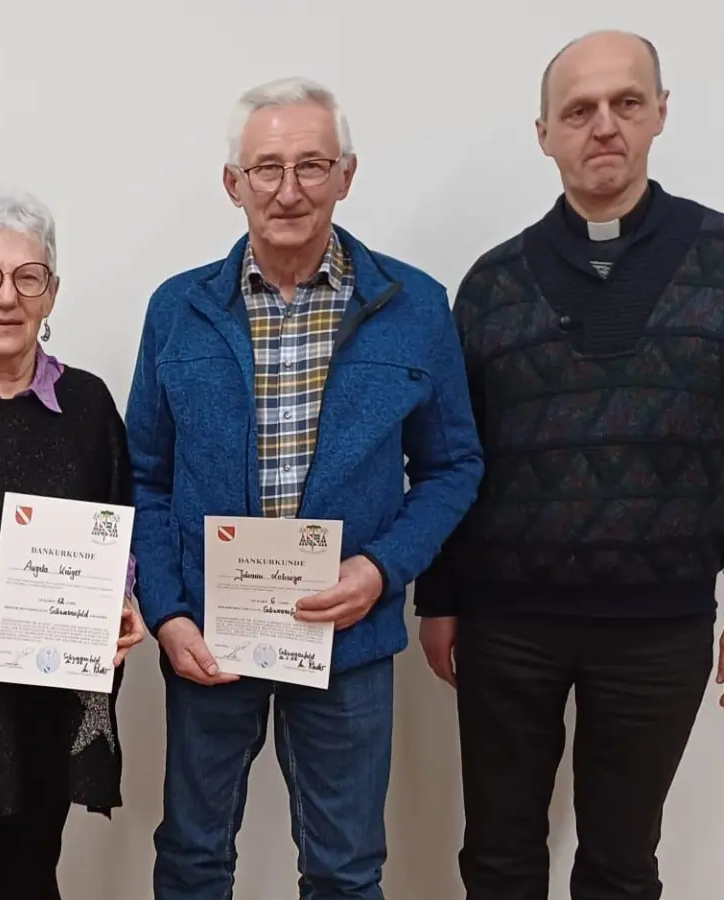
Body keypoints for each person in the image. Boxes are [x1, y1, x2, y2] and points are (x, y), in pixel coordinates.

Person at [413, 31, 724, 900]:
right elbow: (450, 454)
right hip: (504, 625)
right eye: (578, 110)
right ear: (544, 133)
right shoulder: (490, 284)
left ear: (659, 114)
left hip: (659, 626)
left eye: (624, 103)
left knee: (621, 862)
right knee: (497, 855)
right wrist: (439, 598)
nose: (602, 126)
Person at [126, 76, 485, 899]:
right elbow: (145, 474)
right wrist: (169, 613)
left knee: (345, 869)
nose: (288, 190)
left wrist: (382, 569)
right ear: (233, 184)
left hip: (347, 643)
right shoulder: (175, 311)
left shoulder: (413, 306)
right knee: (191, 858)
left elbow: (452, 467)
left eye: (312, 165)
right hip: (209, 642)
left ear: (346, 175)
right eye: (266, 168)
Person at [0, 188, 146, 899]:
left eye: (27, 277)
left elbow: (121, 518)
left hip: (49, 689)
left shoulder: (89, 405)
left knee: (31, 871)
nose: (5, 297)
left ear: (51, 292)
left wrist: (123, 599)